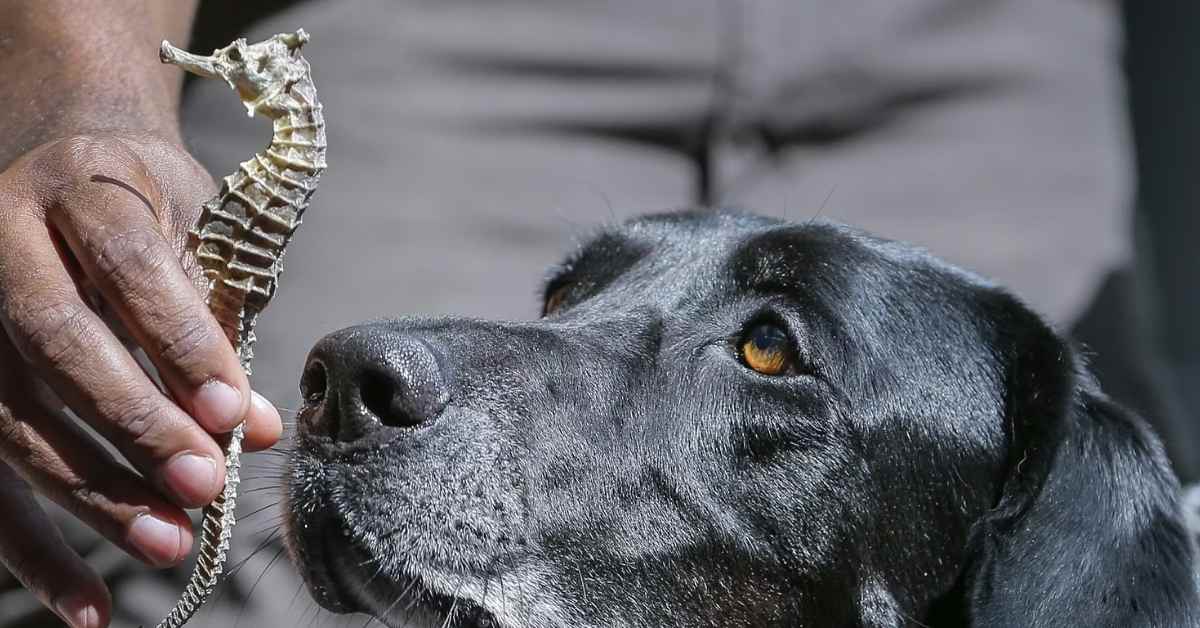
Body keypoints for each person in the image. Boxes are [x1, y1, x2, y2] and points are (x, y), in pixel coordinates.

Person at [0, 1, 1169, 626]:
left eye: (769, 354)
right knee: (207, 552)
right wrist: (83, 102)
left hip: (974, 40)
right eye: (573, 302)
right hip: (446, 29)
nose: (388, 368)